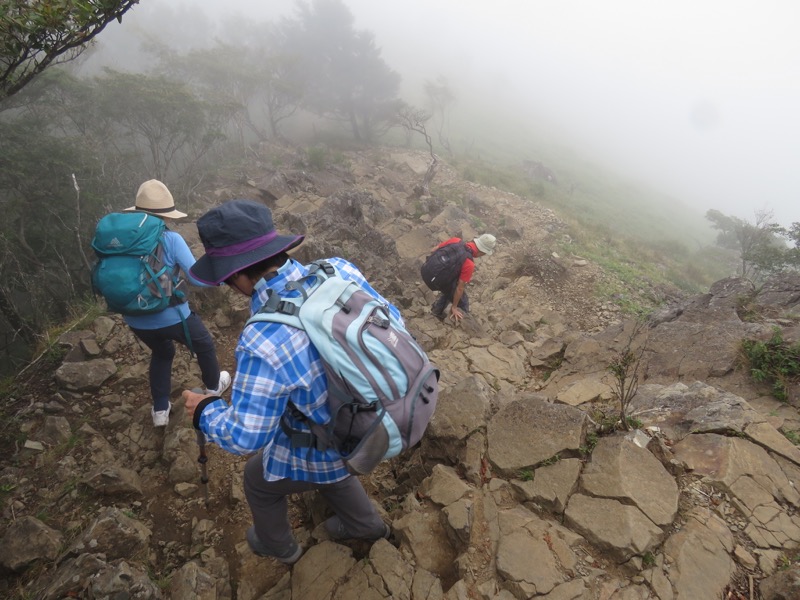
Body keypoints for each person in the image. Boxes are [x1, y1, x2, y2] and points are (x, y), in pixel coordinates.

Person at [182, 198, 392, 565]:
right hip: (385, 414)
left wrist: (205, 410)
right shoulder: (339, 269)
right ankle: (368, 526)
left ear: (234, 275)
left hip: (337, 439)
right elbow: (393, 320)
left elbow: (246, 436)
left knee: (256, 478)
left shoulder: (264, 337)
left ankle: (280, 547)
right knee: (328, 456)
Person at [123, 179, 230, 427]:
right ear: (166, 215)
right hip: (172, 315)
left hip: (134, 318)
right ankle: (213, 390)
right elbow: (195, 278)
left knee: (162, 352)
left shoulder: (121, 241)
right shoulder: (170, 239)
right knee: (203, 344)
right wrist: (223, 279)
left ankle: (160, 411)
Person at [430, 233, 497, 322]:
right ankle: (460, 324)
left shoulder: (455, 240)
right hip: (441, 281)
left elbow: (433, 250)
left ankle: (436, 312)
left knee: (450, 290)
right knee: (463, 302)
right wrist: (454, 307)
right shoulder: (469, 263)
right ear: (482, 252)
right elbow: (459, 288)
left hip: (430, 273)